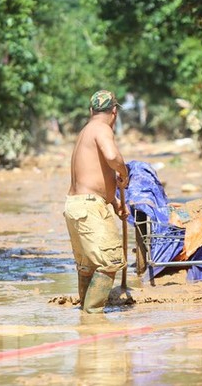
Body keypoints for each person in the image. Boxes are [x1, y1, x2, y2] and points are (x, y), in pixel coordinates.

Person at [63, 90, 129, 314]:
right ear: (114, 112)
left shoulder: (85, 131)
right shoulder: (102, 129)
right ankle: (92, 317)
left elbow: (92, 175)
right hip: (89, 207)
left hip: (76, 205)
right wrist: (123, 171)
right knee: (109, 262)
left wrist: (114, 202)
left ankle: (85, 315)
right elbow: (111, 157)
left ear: (91, 111)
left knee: (87, 266)